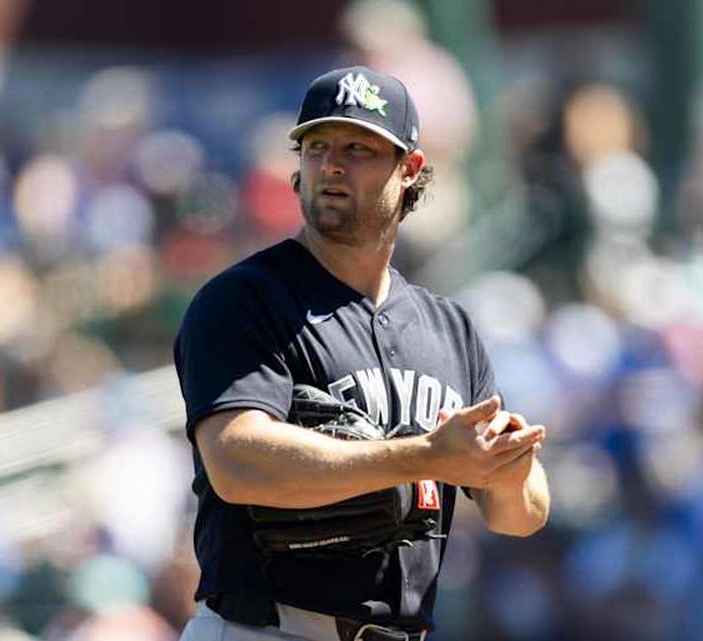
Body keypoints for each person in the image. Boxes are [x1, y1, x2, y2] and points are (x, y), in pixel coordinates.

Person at [173, 66, 550, 641]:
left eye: (358, 148)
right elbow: (236, 462)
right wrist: (421, 456)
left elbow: (520, 515)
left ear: (411, 170)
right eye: (316, 146)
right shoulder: (244, 300)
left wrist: (506, 463)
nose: (332, 165)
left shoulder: (449, 327)